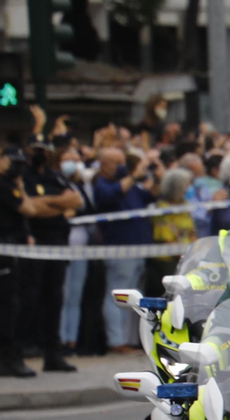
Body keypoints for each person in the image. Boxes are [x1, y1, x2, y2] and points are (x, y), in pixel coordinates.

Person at [19, 137, 84, 372]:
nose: (41, 154)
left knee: (54, 300)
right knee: (29, 299)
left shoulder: (54, 175)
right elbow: (30, 208)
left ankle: (52, 355)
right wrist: (57, 205)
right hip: (32, 246)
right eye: (36, 150)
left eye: (44, 150)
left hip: (57, 245)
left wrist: (45, 201)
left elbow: (76, 200)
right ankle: (18, 351)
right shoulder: (23, 176)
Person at [93, 146, 157, 353]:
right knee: (117, 293)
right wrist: (132, 175)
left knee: (134, 297)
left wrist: (156, 173)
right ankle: (116, 340)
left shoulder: (132, 187)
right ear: (105, 165)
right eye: (118, 163)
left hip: (139, 249)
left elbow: (151, 195)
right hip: (120, 249)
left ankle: (130, 339)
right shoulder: (102, 184)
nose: (122, 167)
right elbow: (111, 195)